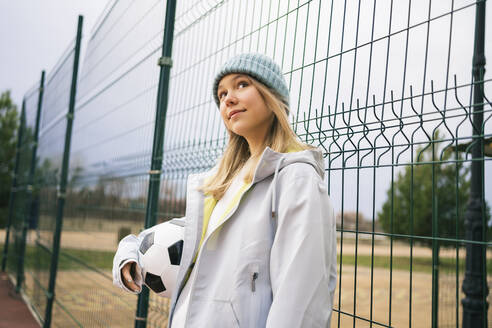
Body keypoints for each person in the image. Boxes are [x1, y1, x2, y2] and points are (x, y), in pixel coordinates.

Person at [112, 53, 337, 328]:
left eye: (242, 84)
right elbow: (169, 236)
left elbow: (302, 301)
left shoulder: (296, 178)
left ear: (273, 96)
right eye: (221, 94)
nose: (228, 99)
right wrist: (129, 253)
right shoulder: (224, 184)